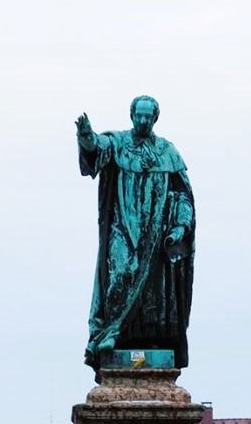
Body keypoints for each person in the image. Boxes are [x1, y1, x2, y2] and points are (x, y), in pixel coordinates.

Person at [76, 96, 195, 370]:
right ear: (131, 116)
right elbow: (96, 148)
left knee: (153, 293)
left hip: (154, 234)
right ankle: (110, 333)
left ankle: (138, 341)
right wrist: (85, 137)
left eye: (147, 117)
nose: (142, 121)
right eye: (138, 116)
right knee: (118, 274)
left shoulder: (167, 152)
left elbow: (182, 195)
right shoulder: (118, 143)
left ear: (155, 118)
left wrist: (180, 225)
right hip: (123, 226)